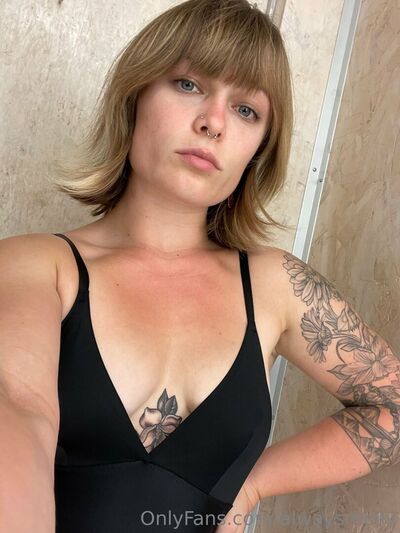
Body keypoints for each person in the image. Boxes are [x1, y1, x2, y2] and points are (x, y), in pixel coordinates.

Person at [0, 0, 399, 532]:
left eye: (246, 110)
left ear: (259, 149)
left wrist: (254, 485)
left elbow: (392, 405)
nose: (213, 122)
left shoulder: (276, 286)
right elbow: (18, 406)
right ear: (135, 96)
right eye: (188, 84)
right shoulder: (34, 265)